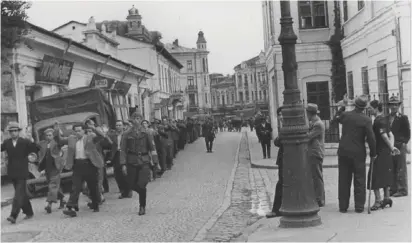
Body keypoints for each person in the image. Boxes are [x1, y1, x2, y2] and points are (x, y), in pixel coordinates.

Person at [335, 95, 376, 213]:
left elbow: (335, 118)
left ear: (354, 105)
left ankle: (343, 206)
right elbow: (371, 138)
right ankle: (359, 206)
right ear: (364, 107)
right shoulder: (366, 119)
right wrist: (373, 153)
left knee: (343, 179)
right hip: (358, 153)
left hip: (343, 151)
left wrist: (342, 107)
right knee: (359, 179)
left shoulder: (346, 115)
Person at [56, 123, 106, 217]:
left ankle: (95, 204)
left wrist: (94, 128)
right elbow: (59, 140)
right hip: (77, 165)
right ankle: (70, 207)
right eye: (75, 131)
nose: (77, 132)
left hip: (89, 164)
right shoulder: (71, 139)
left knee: (92, 186)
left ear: (84, 130)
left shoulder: (90, 137)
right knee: (75, 186)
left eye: (79, 130)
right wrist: (56, 131)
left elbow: (101, 136)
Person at [120, 111, 159, 215]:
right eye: (135, 118)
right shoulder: (126, 134)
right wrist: (123, 164)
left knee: (142, 185)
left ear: (141, 120)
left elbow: (153, 148)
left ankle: (142, 206)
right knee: (130, 184)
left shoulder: (147, 133)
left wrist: (156, 162)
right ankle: (141, 196)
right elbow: (123, 150)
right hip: (131, 160)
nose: (137, 120)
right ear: (132, 120)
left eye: (139, 118)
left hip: (144, 160)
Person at [2, 122, 37, 224]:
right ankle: (29, 212)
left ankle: (13, 215)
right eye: (11, 131)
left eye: (15, 131)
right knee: (22, 194)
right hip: (12, 172)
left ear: (18, 132)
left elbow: (35, 149)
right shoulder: (7, 142)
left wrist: (31, 139)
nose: (13, 133)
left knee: (18, 194)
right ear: (9, 133)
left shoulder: (25, 141)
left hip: (22, 171)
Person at [367, 100, 400, 210]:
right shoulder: (385, 119)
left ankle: (378, 201)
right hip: (386, 152)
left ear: (376, 108)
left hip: (379, 152)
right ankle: (386, 198)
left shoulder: (378, 121)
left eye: (370, 107)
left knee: (374, 176)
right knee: (386, 174)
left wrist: (392, 148)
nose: (369, 109)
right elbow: (391, 135)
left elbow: (385, 136)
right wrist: (392, 147)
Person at [37, 128, 66, 213]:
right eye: (47, 135)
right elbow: (35, 145)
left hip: (56, 167)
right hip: (47, 168)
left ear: (53, 136)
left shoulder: (57, 143)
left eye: (50, 135)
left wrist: (58, 131)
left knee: (52, 185)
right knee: (53, 184)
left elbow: (61, 141)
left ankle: (49, 203)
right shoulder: (43, 143)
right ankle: (63, 199)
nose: (48, 137)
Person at [388, 95, 410, 197]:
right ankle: (393, 188)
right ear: (389, 106)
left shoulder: (403, 118)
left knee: (401, 168)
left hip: (400, 145)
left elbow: (408, 133)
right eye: (392, 105)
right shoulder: (387, 118)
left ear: (399, 106)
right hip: (390, 146)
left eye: (396, 105)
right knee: (391, 167)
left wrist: (404, 143)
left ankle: (402, 190)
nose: (394, 107)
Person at [306, 103, 326, 207]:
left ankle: (320, 199)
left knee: (317, 176)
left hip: (315, 152)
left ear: (309, 113)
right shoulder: (313, 123)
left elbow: (308, 137)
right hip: (313, 152)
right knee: (315, 176)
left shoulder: (317, 124)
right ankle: (318, 197)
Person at [266, 107, 284, 218]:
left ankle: (277, 210)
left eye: (282, 114)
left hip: (286, 160)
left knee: (281, 185)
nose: (280, 117)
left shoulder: (286, 126)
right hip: (284, 159)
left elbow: (277, 141)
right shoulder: (283, 126)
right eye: (279, 114)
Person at [106, 120, 131, 199]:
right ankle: (123, 191)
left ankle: (128, 190)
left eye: (120, 125)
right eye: (117, 125)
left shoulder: (127, 134)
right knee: (117, 174)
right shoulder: (113, 135)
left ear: (123, 126)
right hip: (116, 155)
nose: (118, 127)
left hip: (125, 154)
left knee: (125, 173)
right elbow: (109, 143)